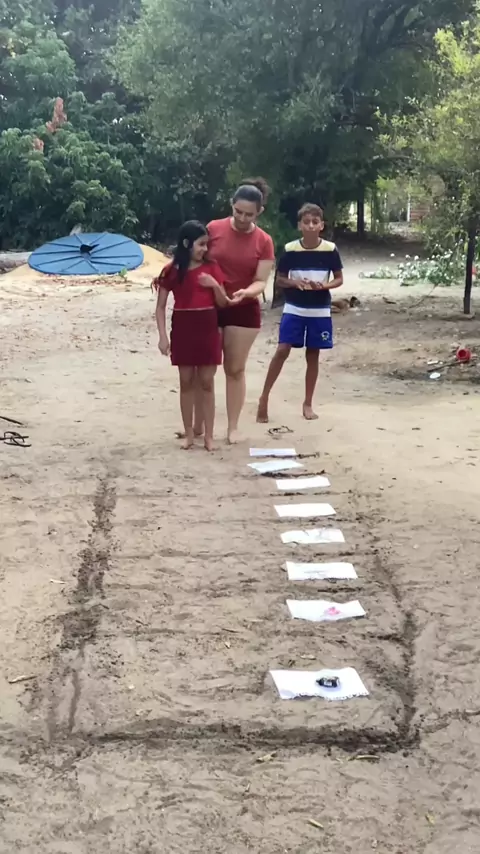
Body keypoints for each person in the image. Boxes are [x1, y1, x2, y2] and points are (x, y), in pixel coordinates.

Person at [180, 178, 275, 444]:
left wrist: (247, 292)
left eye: (249, 214)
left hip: (243, 308)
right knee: (204, 369)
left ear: (259, 212)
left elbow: (261, 280)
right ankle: (197, 425)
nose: (243, 218)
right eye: (238, 212)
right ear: (231, 205)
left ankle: (233, 427)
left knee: (234, 368)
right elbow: (197, 259)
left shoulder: (264, 241)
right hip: (209, 306)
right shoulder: (214, 229)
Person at [256, 203, 343, 423]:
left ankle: (307, 403)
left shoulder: (330, 250)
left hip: (319, 309)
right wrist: (295, 283)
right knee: (282, 349)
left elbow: (339, 278)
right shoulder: (290, 249)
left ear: (321, 225)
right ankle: (264, 397)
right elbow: (280, 279)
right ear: (299, 225)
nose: (311, 226)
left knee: (313, 354)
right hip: (294, 307)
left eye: (315, 222)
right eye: (306, 222)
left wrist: (323, 286)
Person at [155, 221, 228, 451]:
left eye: (207, 245)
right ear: (187, 244)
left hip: (207, 327)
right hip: (183, 327)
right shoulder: (172, 271)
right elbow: (160, 307)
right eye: (201, 244)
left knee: (207, 382)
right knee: (185, 382)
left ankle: (209, 436)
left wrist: (214, 285)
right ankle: (189, 434)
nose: (205, 249)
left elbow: (223, 302)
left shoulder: (212, 268)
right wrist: (163, 337)